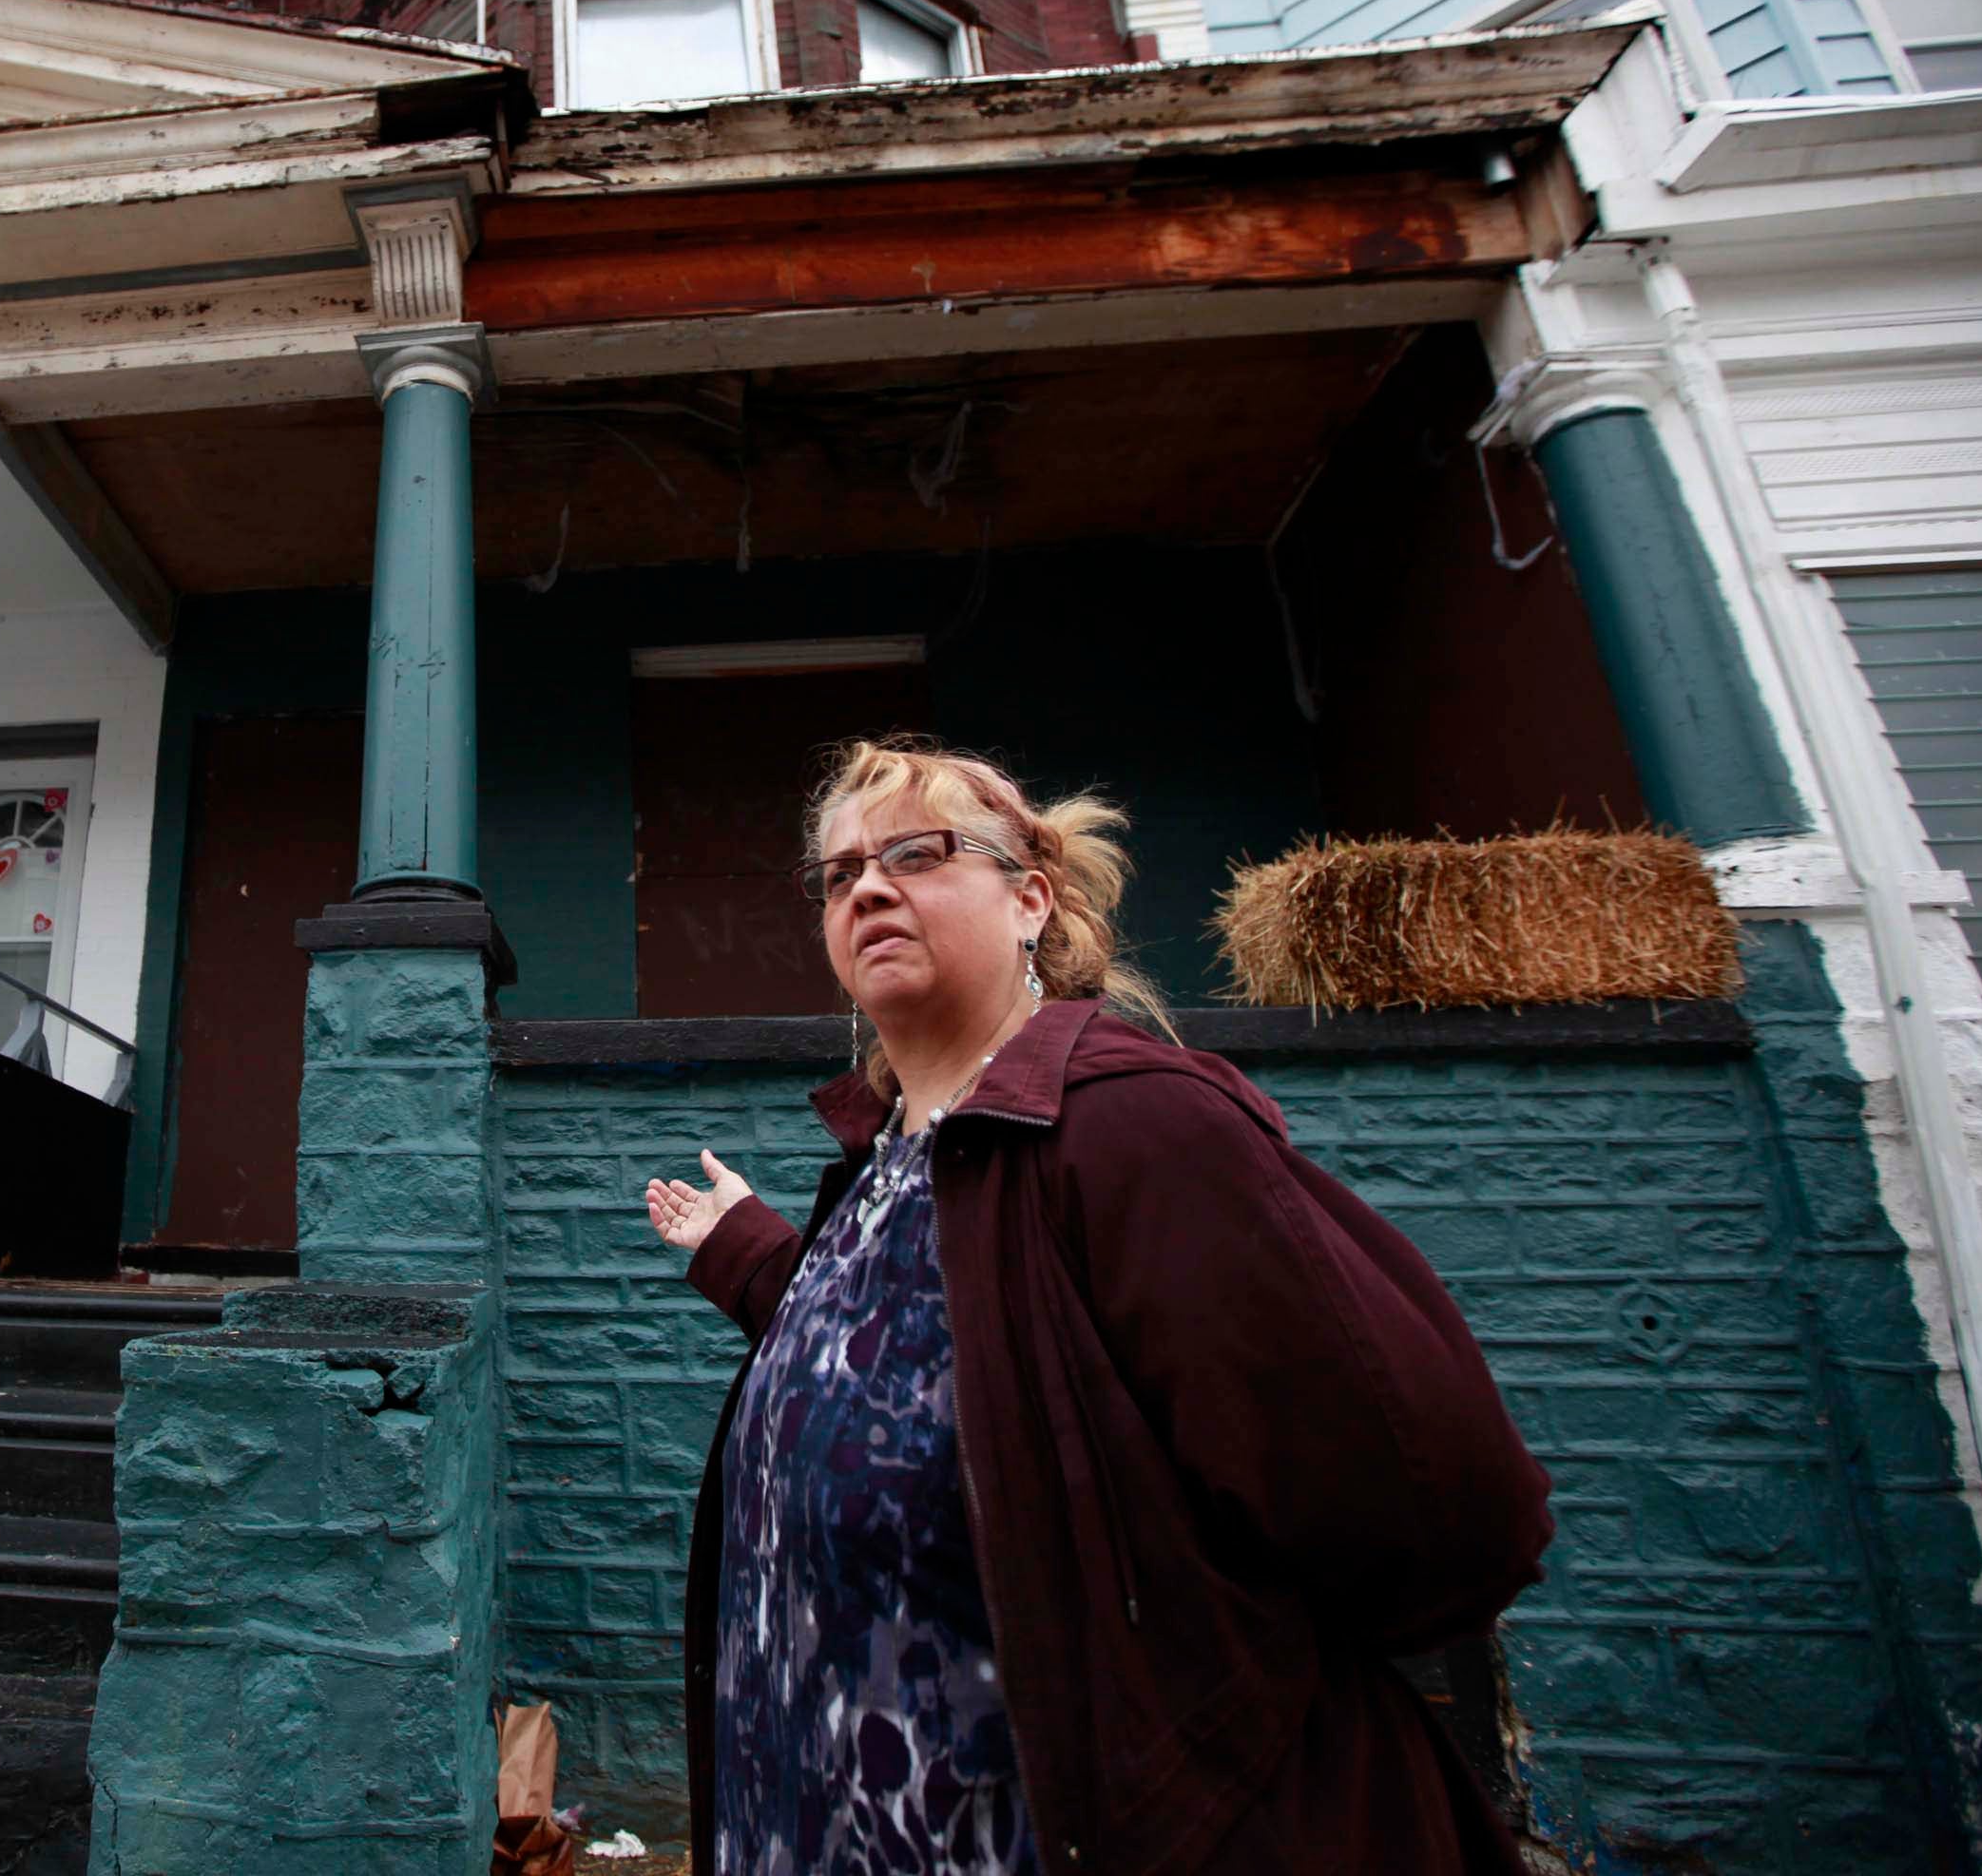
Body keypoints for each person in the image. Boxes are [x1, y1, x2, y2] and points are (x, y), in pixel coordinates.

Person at [643, 737, 1550, 1875]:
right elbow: (919, 1355)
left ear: (1031, 903)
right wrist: (745, 1250)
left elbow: (1445, 1502)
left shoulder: (1132, 1127)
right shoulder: (888, 1165)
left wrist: (1206, 1743)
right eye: (840, 874)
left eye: (919, 854)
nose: (868, 886)